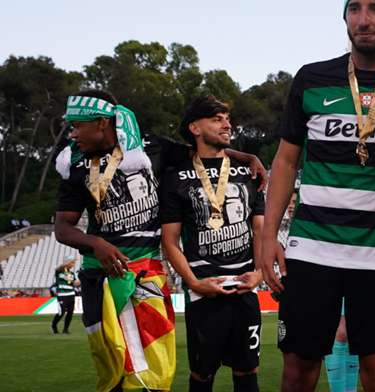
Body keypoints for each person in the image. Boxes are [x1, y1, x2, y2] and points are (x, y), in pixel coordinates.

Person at [259, 0, 375, 392]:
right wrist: (269, 236)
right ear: (344, 17)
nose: (363, 19)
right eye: (354, 9)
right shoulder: (312, 78)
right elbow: (285, 162)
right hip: (313, 248)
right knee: (298, 369)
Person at [54, 88, 266, 392]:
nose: (73, 134)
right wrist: (96, 244)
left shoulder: (153, 147)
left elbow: (204, 153)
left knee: (155, 370)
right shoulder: (75, 163)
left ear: (101, 122)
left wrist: (247, 157)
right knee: (112, 368)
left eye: (77, 126)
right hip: (99, 277)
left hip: (147, 273)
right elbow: (63, 228)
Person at [160, 96, 265, 392]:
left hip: (245, 287)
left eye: (227, 119)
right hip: (204, 291)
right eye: (217, 119)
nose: (227, 124)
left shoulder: (248, 171)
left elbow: (259, 228)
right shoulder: (175, 176)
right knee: (202, 374)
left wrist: (259, 273)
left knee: (248, 370)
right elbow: (169, 241)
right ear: (195, 128)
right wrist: (194, 283)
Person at [51, 258, 79, 334]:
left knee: (70, 312)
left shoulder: (72, 274)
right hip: (62, 294)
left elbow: (75, 283)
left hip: (71, 294)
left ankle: (65, 329)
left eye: (73, 263)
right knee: (61, 312)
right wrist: (69, 261)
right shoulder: (59, 271)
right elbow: (60, 267)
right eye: (72, 263)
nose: (73, 264)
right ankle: (54, 325)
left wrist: (82, 278)